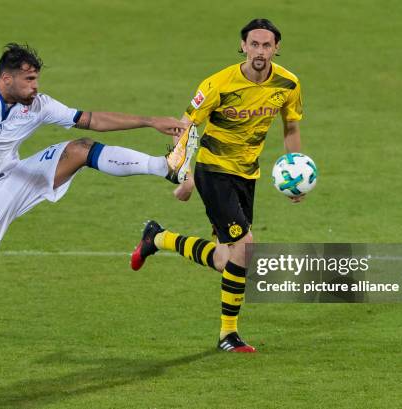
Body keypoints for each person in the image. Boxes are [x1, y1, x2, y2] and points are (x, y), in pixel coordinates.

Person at [0, 43, 194, 380]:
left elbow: (90, 120)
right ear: (6, 79)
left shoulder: (36, 105)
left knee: (80, 149)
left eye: (37, 79)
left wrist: (149, 121)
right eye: (29, 79)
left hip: (14, 179)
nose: (35, 87)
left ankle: (165, 167)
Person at [130, 19, 304, 352]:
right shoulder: (217, 84)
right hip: (213, 171)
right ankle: (228, 334)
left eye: (267, 46)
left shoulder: (288, 84)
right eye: (254, 44)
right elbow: (186, 129)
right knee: (245, 245)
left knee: (226, 259)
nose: (260, 52)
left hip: (247, 175)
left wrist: (294, 172)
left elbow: (291, 127)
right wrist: (185, 174)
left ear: (277, 48)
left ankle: (158, 237)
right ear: (243, 45)